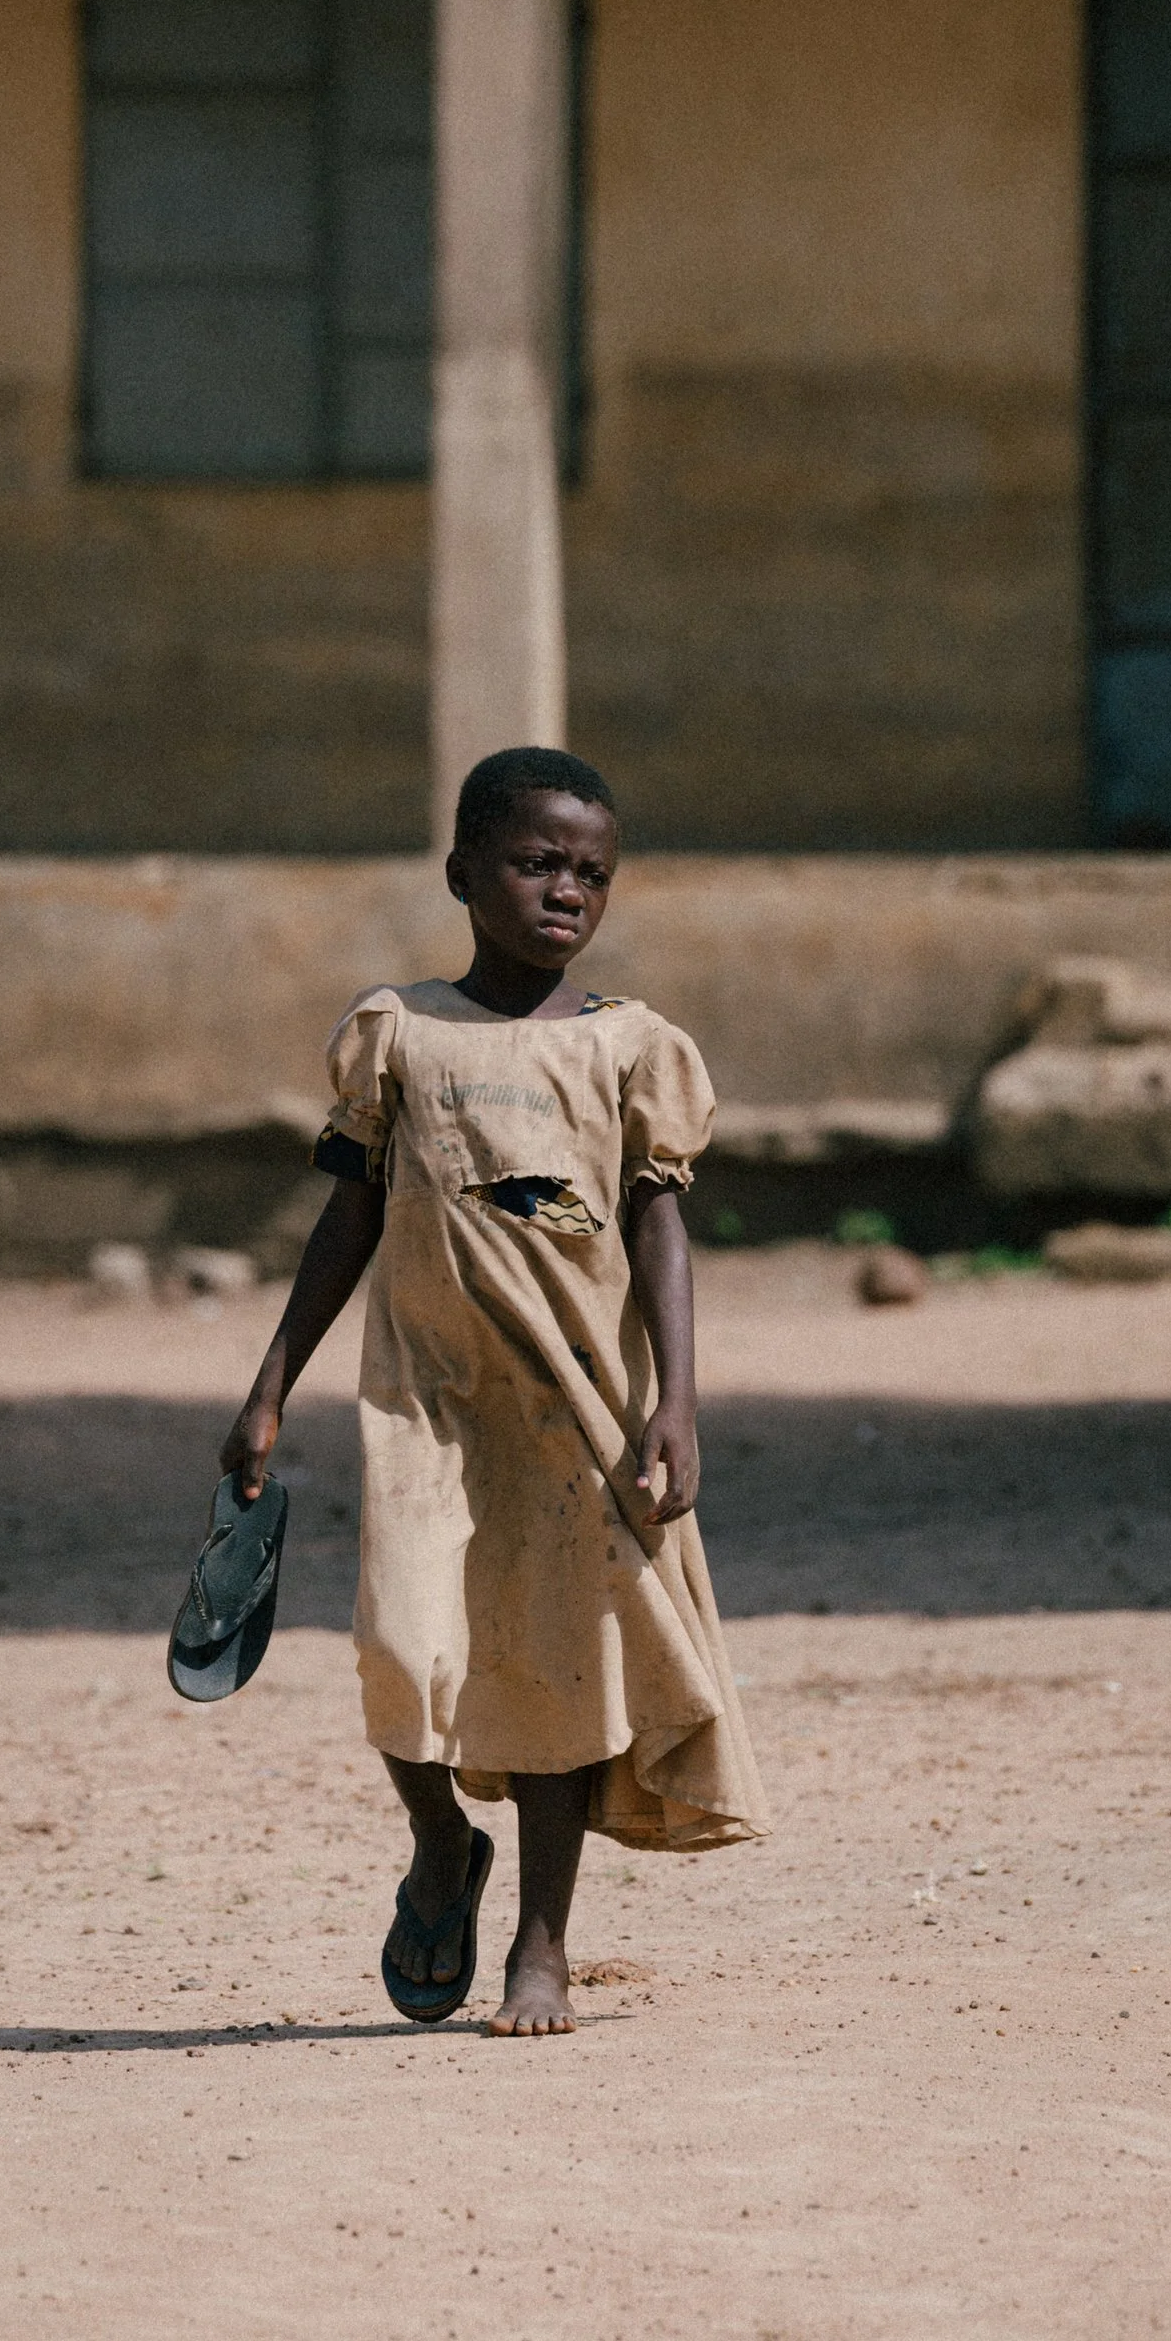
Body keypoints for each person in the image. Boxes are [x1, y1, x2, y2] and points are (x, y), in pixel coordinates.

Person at [221, 744, 766, 2036]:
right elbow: (348, 1216)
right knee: (405, 1648)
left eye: (591, 872)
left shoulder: (627, 1047)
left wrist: (676, 1402)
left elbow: (658, 1229)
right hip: (428, 1402)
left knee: (558, 1676)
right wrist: (268, 1387)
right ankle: (440, 1845)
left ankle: (542, 1943)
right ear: (464, 870)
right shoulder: (399, 1035)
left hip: (570, 1412)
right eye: (534, 862)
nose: (565, 890)